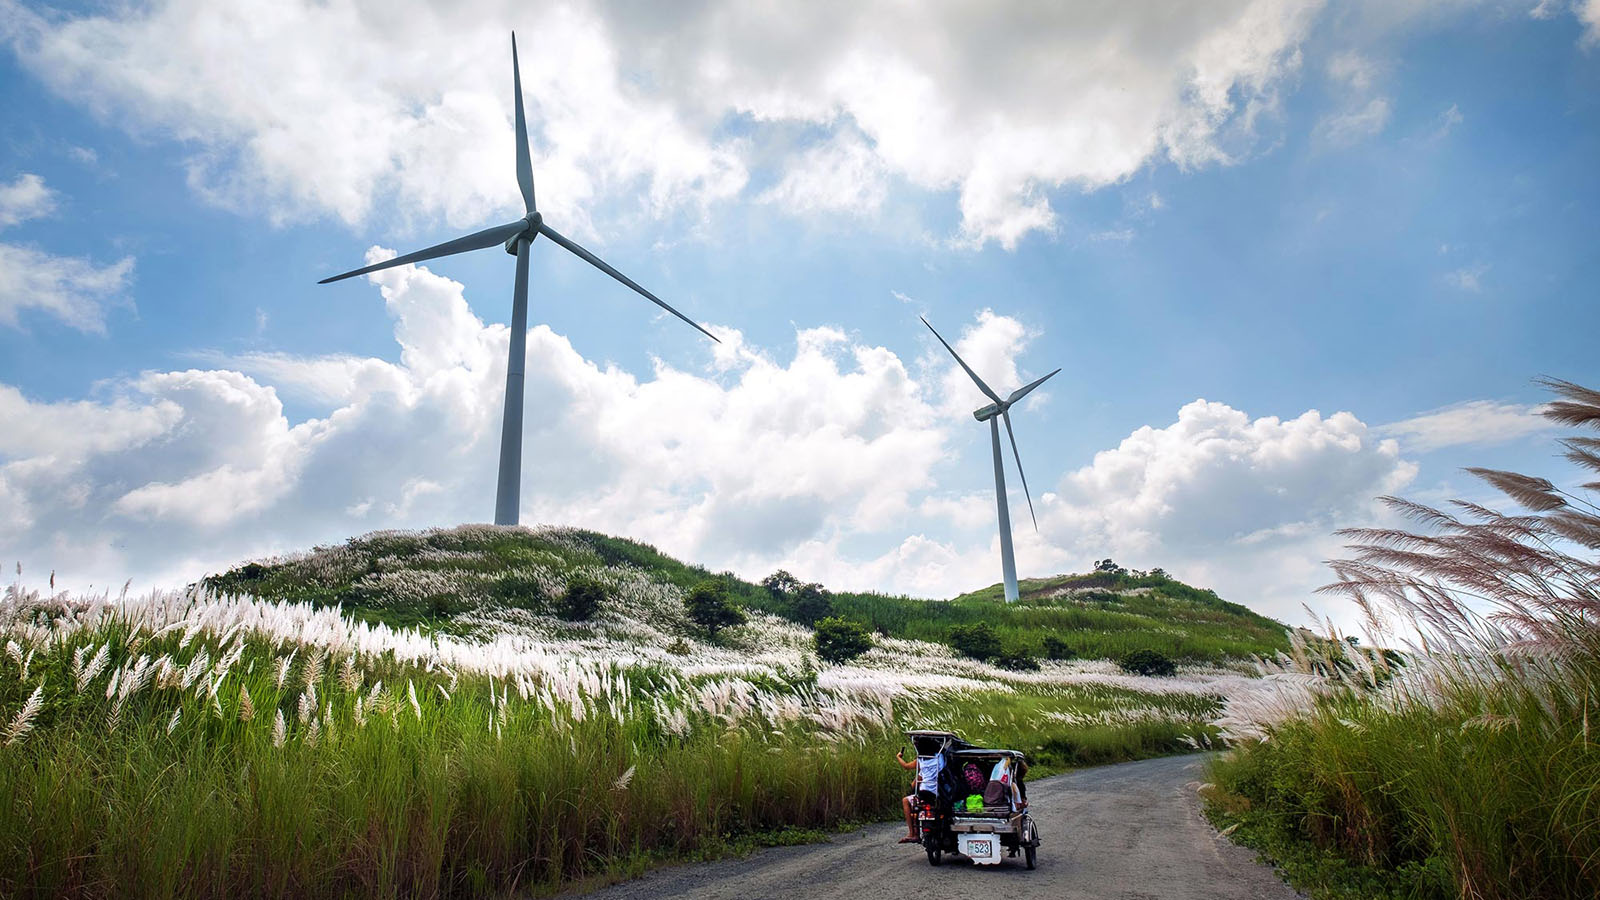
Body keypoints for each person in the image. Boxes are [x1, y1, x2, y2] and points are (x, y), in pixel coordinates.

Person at [896, 747, 943, 843]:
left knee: (908, 802)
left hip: (923, 793)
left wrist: (898, 757)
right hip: (937, 794)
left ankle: (912, 833)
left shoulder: (921, 761)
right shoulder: (940, 758)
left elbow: (906, 766)